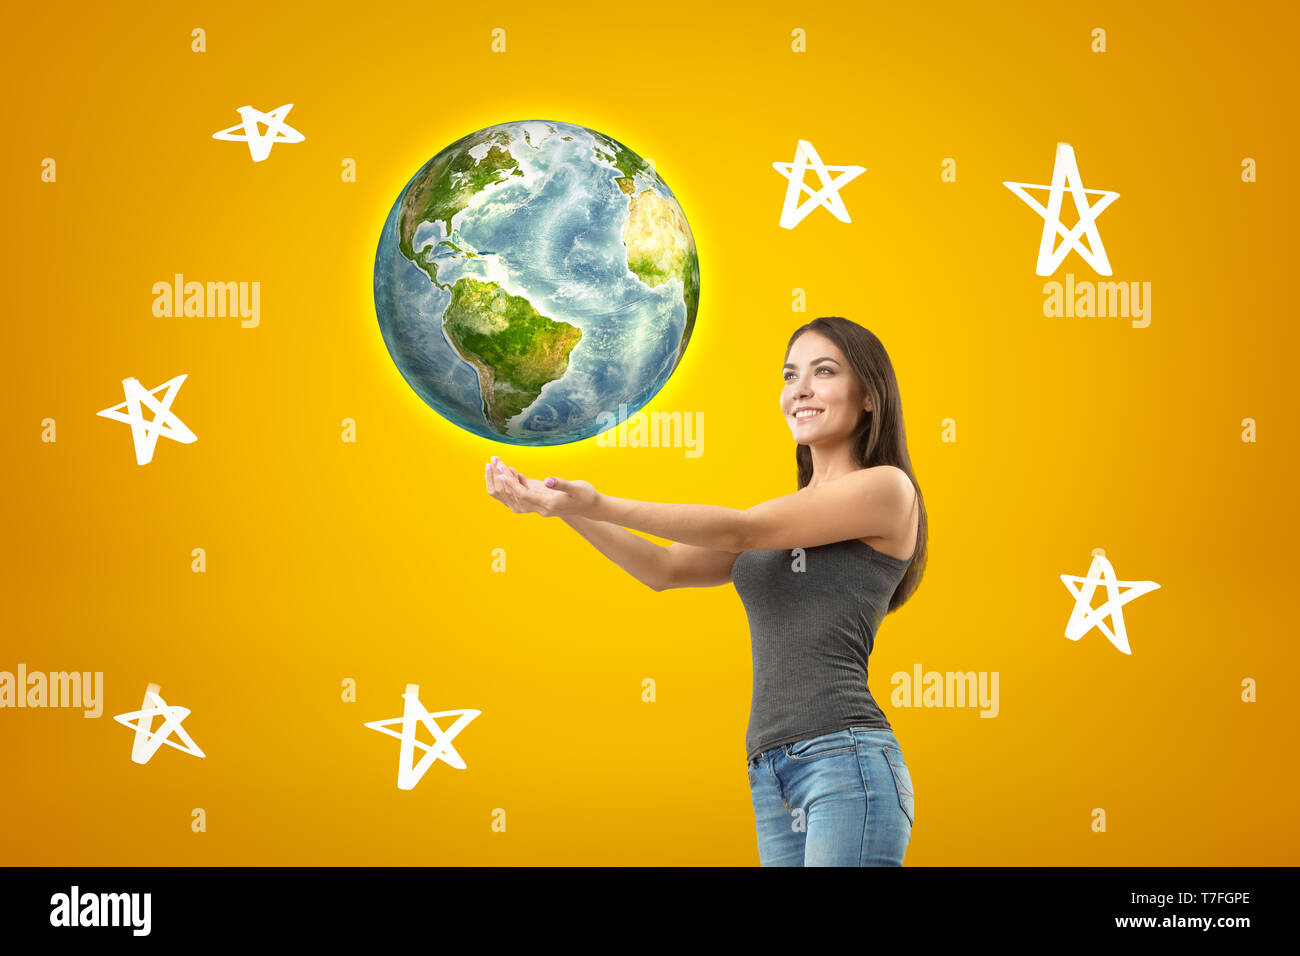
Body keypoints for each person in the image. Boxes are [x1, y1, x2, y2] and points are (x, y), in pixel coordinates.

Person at [484, 315, 928, 866]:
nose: (801, 390)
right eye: (790, 376)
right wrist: (564, 509)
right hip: (772, 773)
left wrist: (597, 501)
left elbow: (741, 530)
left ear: (868, 396)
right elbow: (663, 568)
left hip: (845, 763)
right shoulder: (788, 518)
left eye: (824, 372)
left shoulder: (887, 489)